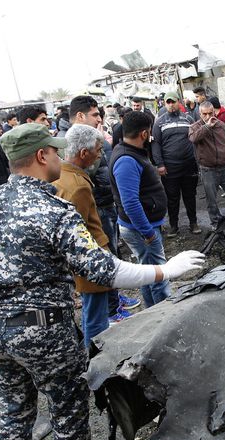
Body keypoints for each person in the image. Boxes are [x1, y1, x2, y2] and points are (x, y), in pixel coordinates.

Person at [0, 122, 204, 440]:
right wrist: (165, 271)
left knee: (14, 413)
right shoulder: (53, 210)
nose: (61, 156)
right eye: (55, 151)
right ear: (41, 156)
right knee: (68, 413)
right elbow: (103, 271)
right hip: (44, 334)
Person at [71, 95, 138, 318]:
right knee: (102, 257)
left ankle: (115, 299)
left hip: (106, 201)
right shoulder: (74, 145)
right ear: (80, 116)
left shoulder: (98, 137)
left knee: (113, 252)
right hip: (95, 204)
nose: (99, 118)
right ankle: (110, 311)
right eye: (95, 114)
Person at [53, 125, 115, 344]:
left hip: (83, 259)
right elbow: (79, 232)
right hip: (90, 258)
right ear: (84, 153)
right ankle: (95, 359)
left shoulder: (61, 175)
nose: (100, 154)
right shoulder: (77, 186)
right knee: (96, 316)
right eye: (98, 150)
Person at [110, 112, 172, 308]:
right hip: (141, 230)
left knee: (146, 274)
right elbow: (130, 202)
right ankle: (165, 317)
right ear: (144, 134)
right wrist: (148, 233)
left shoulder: (131, 152)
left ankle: (151, 313)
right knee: (158, 275)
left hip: (142, 227)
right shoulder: (127, 160)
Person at [151, 91, 201, 236]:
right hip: (170, 168)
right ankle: (174, 225)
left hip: (189, 166)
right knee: (172, 198)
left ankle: (193, 223)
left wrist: (198, 160)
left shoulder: (188, 119)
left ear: (179, 102)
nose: (171, 105)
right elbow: (156, 145)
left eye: (173, 101)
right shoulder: (159, 122)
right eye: (168, 102)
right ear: (165, 104)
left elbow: (197, 139)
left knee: (190, 196)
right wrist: (159, 164)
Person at [189, 100, 225, 224]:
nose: (208, 116)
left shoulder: (221, 125)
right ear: (200, 113)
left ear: (214, 112)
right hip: (208, 169)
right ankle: (215, 221)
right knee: (211, 198)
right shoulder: (195, 127)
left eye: (210, 113)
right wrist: (207, 127)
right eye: (205, 114)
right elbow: (194, 138)